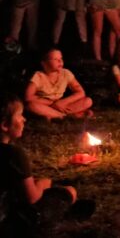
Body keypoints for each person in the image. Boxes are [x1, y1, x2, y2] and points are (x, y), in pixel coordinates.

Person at [1, 91, 94, 236]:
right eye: (19, 115)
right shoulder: (13, 154)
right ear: (5, 125)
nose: (24, 119)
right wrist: (42, 183)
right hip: (10, 220)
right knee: (69, 191)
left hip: (8, 204)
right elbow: (32, 198)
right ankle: (60, 220)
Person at [23, 49, 93, 120]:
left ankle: (54, 115)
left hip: (61, 104)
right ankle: (65, 115)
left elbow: (80, 92)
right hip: (46, 105)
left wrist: (63, 102)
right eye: (55, 59)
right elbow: (28, 97)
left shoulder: (66, 73)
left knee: (88, 101)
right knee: (31, 106)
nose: (60, 61)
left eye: (61, 58)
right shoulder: (38, 76)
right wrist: (52, 103)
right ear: (44, 63)